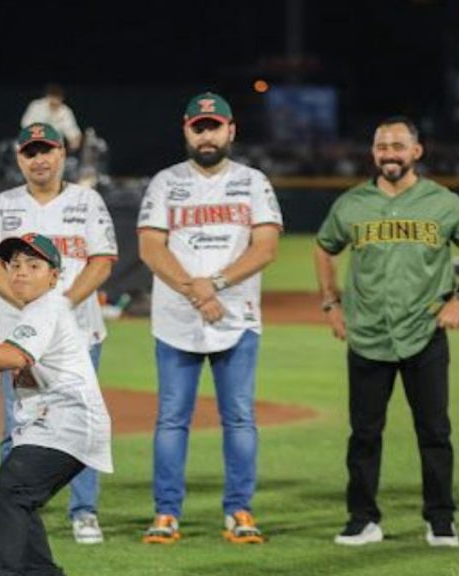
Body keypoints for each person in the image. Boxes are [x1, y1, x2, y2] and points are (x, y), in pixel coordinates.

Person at [315, 116, 459, 548]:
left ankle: (441, 520)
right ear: (373, 153)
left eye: (397, 146)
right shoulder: (352, 204)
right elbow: (324, 247)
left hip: (424, 333)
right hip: (368, 335)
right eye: (382, 146)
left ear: (416, 151)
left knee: (434, 432)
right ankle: (362, 519)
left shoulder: (442, 202)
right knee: (364, 434)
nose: (389, 154)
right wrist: (331, 303)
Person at [137, 92, 282, 544]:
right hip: (176, 319)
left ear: (230, 131)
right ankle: (166, 513)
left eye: (214, 127)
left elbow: (266, 247)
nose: (206, 135)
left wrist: (213, 284)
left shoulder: (253, 182)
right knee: (171, 419)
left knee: (238, 418)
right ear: (186, 131)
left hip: (236, 317)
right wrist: (195, 291)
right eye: (198, 127)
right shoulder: (165, 182)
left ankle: (239, 510)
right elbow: (150, 248)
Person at [0, 122, 117, 544]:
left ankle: (84, 512)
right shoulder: (3, 205)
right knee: (15, 428)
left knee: (78, 424)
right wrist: (31, 305)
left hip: (79, 337)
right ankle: (11, 516)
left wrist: (60, 306)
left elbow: (102, 261)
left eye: (47, 150)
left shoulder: (87, 201)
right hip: (18, 339)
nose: (39, 159)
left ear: (61, 155)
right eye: (31, 152)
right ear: (19, 158)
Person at [0, 233, 112, 576]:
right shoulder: (39, 310)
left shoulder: (47, 307)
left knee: (10, 493)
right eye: (15, 264)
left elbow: (16, 355)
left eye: (34, 266)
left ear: (54, 276)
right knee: (19, 499)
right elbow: (18, 356)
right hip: (54, 424)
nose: (21, 271)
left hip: (69, 422)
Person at [20, 84, 82, 152]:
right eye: (53, 97)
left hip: (55, 148)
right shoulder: (36, 106)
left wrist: (75, 139)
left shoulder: (65, 111)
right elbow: (25, 123)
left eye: (58, 98)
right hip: (33, 145)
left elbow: (72, 129)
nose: (55, 100)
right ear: (48, 96)